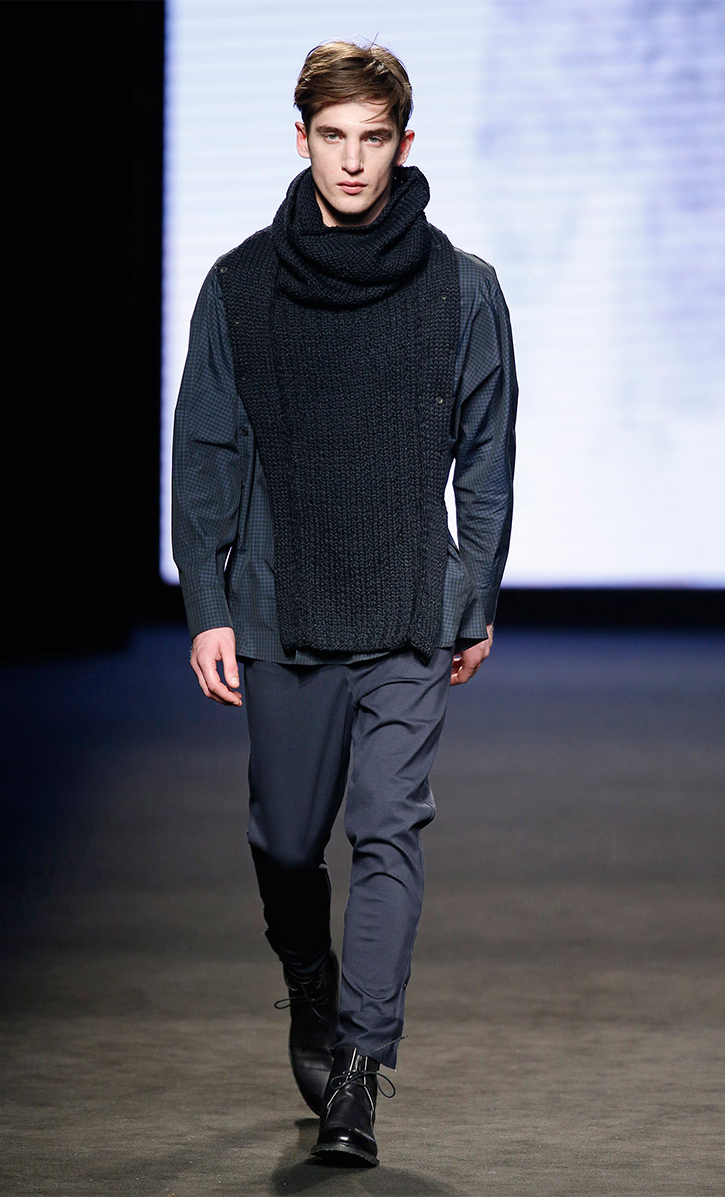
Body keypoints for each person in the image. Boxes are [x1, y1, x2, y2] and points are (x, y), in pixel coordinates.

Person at [172, 39, 517, 1168]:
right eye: (333, 137)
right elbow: (205, 451)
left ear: (404, 144)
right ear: (302, 139)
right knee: (285, 842)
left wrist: (472, 594)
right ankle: (308, 980)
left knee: (389, 827)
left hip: (408, 599)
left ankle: (359, 1068)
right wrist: (208, 602)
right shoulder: (240, 286)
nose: (353, 161)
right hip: (279, 604)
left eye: (373, 138)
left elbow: (487, 455)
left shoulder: (462, 288)